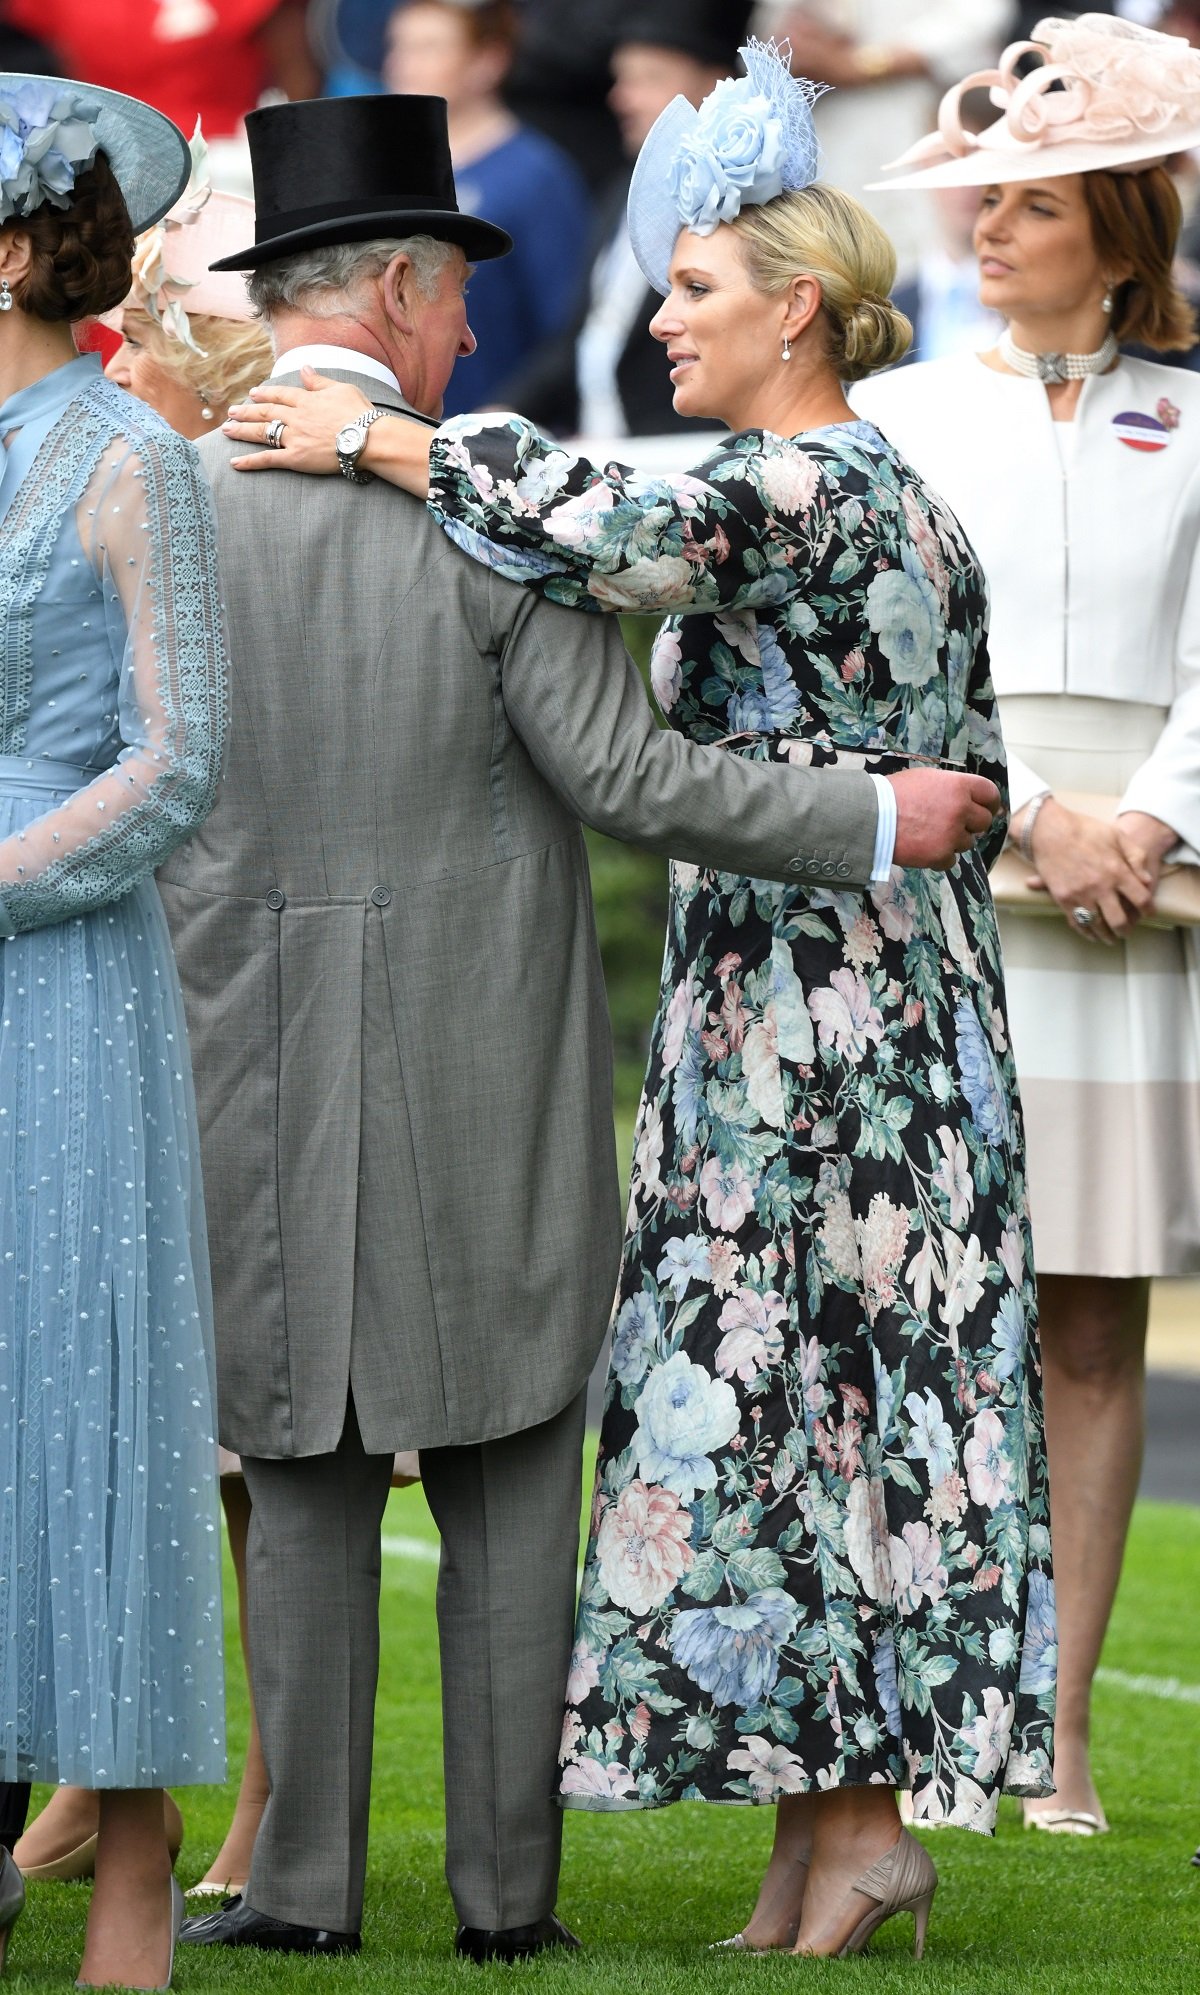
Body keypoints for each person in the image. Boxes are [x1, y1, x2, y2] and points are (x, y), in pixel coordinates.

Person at [226, 37, 1046, 1960]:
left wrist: (388, 442)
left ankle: (853, 1836)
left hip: (821, 1026)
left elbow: (615, 532)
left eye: (690, 288)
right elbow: (956, 767)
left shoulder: (786, 486)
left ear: (802, 314)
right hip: (874, 996)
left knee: (809, 1407)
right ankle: (825, 1841)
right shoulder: (888, 489)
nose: (654, 313)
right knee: (819, 1413)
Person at [854, 9, 1200, 1837]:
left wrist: (1147, 818)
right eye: (981, 202)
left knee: (1085, 1327)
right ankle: (931, 1729)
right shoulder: (901, 415)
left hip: (1139, 908)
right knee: (930, 1315)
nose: (988, 231)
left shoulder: (1198, 418)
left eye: (1033, 205)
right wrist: (1035, 809)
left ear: (1119, 227)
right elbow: (890, 655)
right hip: (956, 877)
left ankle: (1053, 1738)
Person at [10, 135, 272, 1905]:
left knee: (79, 1381)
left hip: (59, 977)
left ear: (18, 250)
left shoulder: (126, 457)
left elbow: (179, 760)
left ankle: (129, 1859)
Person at [503, 0, 754, 439]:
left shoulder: (749, 206)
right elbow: (581, 336)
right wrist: (503, 413)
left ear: (717, 83)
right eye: (622, 79)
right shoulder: (621, 194)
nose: (623, 97)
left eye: (649, 78)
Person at [383, 0, 591, 418]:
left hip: (497, 437)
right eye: (399, 47)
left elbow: (567, 325)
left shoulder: (535, 175)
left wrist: (509, 411)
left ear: (487, 62)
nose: (404, 65)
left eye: (428, 48)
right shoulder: (383, 169)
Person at [758, 1, 1017, 279]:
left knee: (927, 264)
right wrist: (795, 45)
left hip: (917, 116)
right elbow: (765, 35)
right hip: (827, 127)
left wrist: (862, 64)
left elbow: (977, 21)